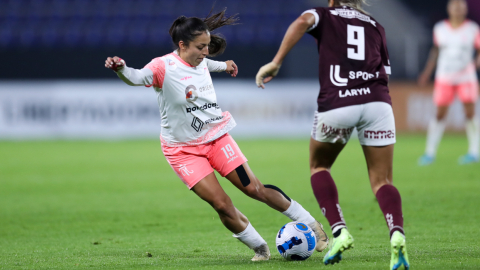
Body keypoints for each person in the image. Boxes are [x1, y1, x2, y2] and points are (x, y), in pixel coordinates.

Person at [104, 9, 328, 261]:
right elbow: (136, 77)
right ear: (182, 45)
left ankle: (312, 225)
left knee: (254, 189)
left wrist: (226, 65)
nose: (206, 52)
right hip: (182, 151)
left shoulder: (201, 61)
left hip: (216, 139)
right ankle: (260, 247)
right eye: (201, 47)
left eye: (208, 46)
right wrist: (121, 68)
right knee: (221, 204)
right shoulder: (162, 66)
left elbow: (210, 64)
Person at [255, 0, 410, 269]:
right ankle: (397, 234)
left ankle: (339, 232)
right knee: (382, 179)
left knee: (319, 166)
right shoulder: (376, 24)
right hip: (378, 102)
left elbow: (302, 22)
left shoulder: (323, 14)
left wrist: (276, 62)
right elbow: (386, 73)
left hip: (338, 101)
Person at [418, 0, 480, 166]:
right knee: (439, 114)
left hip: (466, 76)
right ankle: (429, 153)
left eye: (461, 6)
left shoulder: (473, 28)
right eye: (455, 6)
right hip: (444, 76)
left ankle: (474, 152)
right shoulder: (440, 29)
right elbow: (435, 50)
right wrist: (427, 72)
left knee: (470, 113)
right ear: (449, 9)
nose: (458, 9)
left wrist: (477, 61)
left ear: (465, 9)